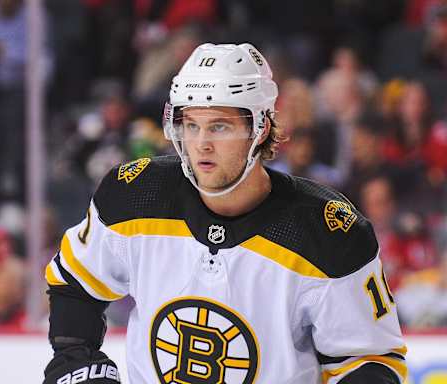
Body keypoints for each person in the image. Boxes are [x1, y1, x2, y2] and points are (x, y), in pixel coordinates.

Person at [43, 43, 407, 384]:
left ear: (260, 128)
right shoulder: (135, 197)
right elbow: (75, 281)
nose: (201, 143)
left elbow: (369, 360)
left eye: (219, 126)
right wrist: (78, 363)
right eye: (191, 125)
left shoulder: (327, 234)